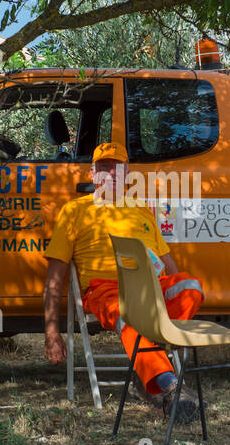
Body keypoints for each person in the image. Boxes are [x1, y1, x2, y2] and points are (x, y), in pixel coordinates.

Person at [43, 142, 204, 422]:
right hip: (105, 289)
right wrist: (51, 332)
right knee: (131, 315)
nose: (110, 174)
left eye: (116, 167)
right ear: (92, 174)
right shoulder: (74, 210)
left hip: (148, 287)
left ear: (127, 173)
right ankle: (168, 388)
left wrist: (167, 292)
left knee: (191, 287)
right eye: (103, 167)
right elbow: (56, 274)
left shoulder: (141, 209)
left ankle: (155, 348)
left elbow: (166, 262)